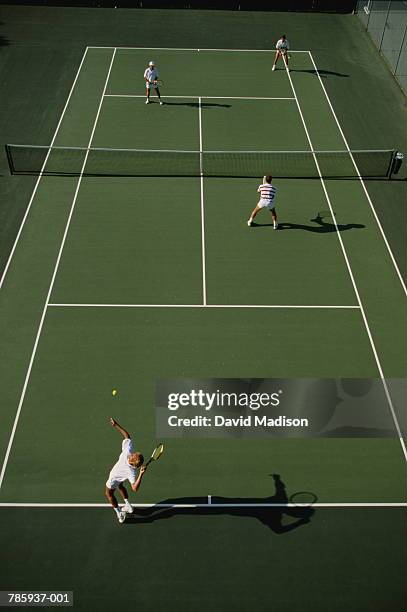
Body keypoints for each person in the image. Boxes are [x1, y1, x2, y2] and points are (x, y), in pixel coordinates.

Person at [105, 417, 147, 524]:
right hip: (120, 478)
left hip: (114, 477)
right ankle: (127, 505)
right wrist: (116, 425)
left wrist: (141, 474)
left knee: (108, 494)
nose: (131, 455)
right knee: (121, 486)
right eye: (133, 454)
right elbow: (127, 436)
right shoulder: (128, 450)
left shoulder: (131, 472)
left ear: (133, 463)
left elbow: (134, 488)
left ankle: (119, 512)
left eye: (132, 457)